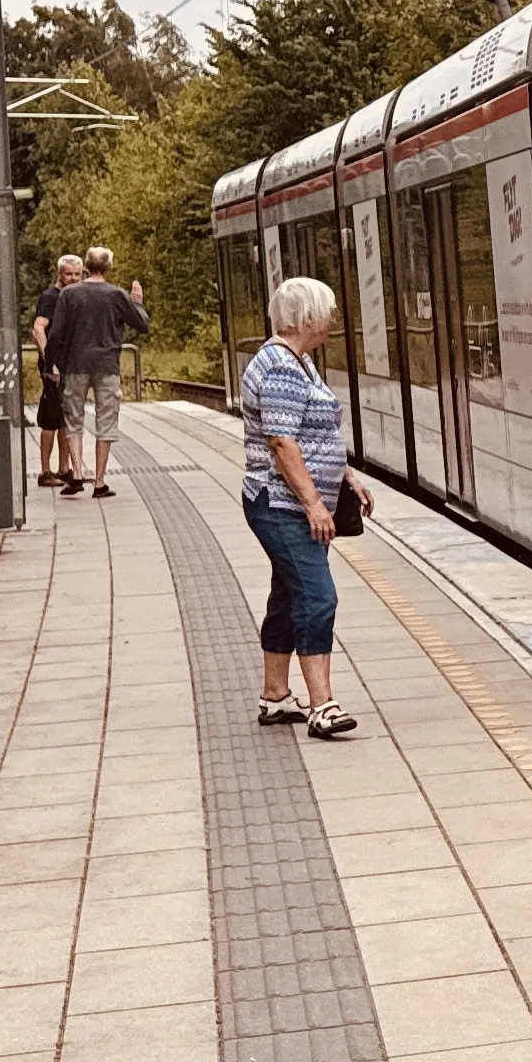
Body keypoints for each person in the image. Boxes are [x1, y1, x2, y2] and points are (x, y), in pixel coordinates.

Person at [235, 277, 361, 738]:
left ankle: (275, 696)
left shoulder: (298, 361)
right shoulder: (282, 367)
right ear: (306, 319)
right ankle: (321, 706)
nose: (330, 322)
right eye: (326, 313)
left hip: (284, 501)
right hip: (282, 504)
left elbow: (312, 430)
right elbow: (282, 441)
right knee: (316, 596)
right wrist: (313, 504)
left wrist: (343, 476)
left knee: (288, 596)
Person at [43, 249, 149, 496]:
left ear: (87, 266)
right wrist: (137, 303)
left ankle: (78, 473)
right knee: (106, 420)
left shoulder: (68, 294)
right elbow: (142, 325)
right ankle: (99, 481)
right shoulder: (117, 294)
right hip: (106, 366)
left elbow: (55, 333)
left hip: (75, 365)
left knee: (73, 420)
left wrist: (50, 365)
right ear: (109, 266)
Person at [31, 253, 84, 488]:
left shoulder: (72, 297)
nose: (73, 278)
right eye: (68, 274)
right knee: (50, 418)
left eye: (77, 274)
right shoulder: (50, 297)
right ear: (59, 274)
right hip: (53, 367)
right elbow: (38, 329)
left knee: (65, 417)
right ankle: (45, 471)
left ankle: (65, 468)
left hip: (69, 364)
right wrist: (48, 359)